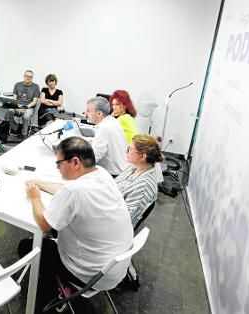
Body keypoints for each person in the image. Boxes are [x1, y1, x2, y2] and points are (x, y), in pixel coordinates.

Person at [18, 137, 133, 310]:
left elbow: (43, 223)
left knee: (26, 247)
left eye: (59, 163)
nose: (57, 168)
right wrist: (40, 183)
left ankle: (56, 287)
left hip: (89, 275)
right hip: (115, 269)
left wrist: (35, 197)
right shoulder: (101, 173)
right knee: (59, 231)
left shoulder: (73, 192)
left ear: (75, 162)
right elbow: (65, 189)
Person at [115, 134, 163, 226]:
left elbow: (122, 221)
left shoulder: (143, 187)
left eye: (130, 149)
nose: (126, 151)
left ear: (142, 157)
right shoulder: (134, 167)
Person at [85, 96, 128, 177]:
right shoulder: (112, 121)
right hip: (123, 171)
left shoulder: (103, 128)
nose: (85, 113)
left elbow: (94, 157)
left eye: (88, 111)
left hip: (113, 175)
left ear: (99, 113)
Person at [7, 70, 40, 137]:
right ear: (24, 76)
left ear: (32, 78)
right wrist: (16, 107)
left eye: (30, 77)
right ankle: (15, 127)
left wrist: (24, 107)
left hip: (29, 107)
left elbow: (34, 102)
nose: (28, 78)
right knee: (9, 111)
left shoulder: (36, 87)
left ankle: (24, 132)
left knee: (26, 116)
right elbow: (14, 98)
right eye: (27, 76)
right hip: (18, 105)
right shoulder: (17, 85)